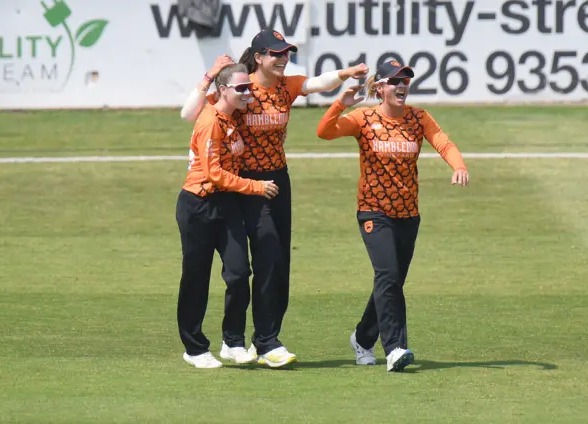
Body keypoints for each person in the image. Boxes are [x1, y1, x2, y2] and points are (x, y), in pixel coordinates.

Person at [180, 30, 369, 368]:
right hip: (243, 182)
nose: (283, 59)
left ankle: (264, 338)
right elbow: (193, 114)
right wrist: (208, 78)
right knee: (260, 255)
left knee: (278, 260)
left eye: (286, 53)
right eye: (276, 53)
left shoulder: (285, 86)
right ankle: (258, 341)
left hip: (277, 178)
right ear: (258, 57)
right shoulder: (241, 86)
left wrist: (346, 73)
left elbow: (317, 84)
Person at [316, 60, 470, 372]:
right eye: (396, 81)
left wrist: (459, 166)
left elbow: (443, 142)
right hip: (373, 210)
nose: (402, 85)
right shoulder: (363, 117)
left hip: (408, 214)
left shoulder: (418, 118)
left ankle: (362, 338)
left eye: (406, 80)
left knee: (393, 281)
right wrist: (338, 104)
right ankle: (396, 347)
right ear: (380, 87)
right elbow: (324, 132)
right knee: (387, 276)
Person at [176, 63, 280, 369]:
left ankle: (232, 342)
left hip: (226, 205)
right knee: (196, 278)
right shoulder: (211, 121)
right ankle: (194, 348)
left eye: (249, 86)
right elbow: (215, 175)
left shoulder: (231, 116)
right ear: (223, 91)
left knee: (238, 273)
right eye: (241, 88)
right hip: (197, 205)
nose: (248, 92)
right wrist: (257, 187)